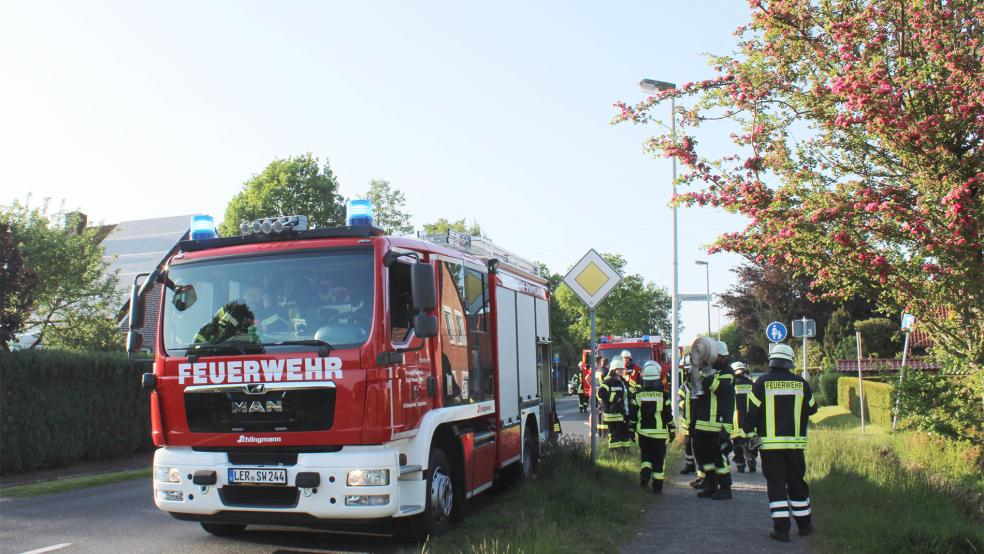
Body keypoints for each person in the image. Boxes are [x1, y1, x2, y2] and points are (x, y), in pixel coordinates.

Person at [743, 344, 818, 542]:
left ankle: (781, 530)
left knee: (776, 485)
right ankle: (804, 526)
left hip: (770, 447)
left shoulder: (761, 383)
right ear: (790, 361)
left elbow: (752, 413)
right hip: (795, 446)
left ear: (772, 361)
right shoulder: (801, 384)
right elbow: (813, 409)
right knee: (797, 483)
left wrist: (747, 436)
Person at [691, 344, 735, 500]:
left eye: (716, 356)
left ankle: (725, 488)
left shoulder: (728, 372)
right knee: (704, 457)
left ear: (723, 357)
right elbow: (696, 392)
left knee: (719, 456)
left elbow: (718, 388)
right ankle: (711, 485)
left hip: (719, 423)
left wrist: (707, 372)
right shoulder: (704, 371)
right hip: (703, 421)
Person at [629, 361, 674, 493]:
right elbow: (668, 415)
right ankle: (657, 486)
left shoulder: (637, 395)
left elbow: (632, 415)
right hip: (659, 434)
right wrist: (672, 431)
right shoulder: (664, 395)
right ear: (657, 379)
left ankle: (645, 475)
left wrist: (631, 431)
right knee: (658, 460)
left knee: (646, 456)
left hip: (643, 433)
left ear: (644, 379)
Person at [597, 357, 631, 454]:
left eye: (622, 369)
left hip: (623, 412)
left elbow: (626, 395)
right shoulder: (609, 381)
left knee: (624, 433)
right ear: (614, 370)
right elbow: (601, 393)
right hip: (613, 413)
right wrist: (615, 398)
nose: (622, 371)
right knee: (614, 434)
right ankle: (614, 452)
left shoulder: (623, 381)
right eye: (619, 369)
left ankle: (625, 451)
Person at [731, 361, 758, 473]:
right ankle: (751, 459)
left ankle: (740, 464)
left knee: (737, 443)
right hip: (750, 418)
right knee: (751, 440)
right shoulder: (752, 384)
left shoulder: (732, 385)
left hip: (736, 419)